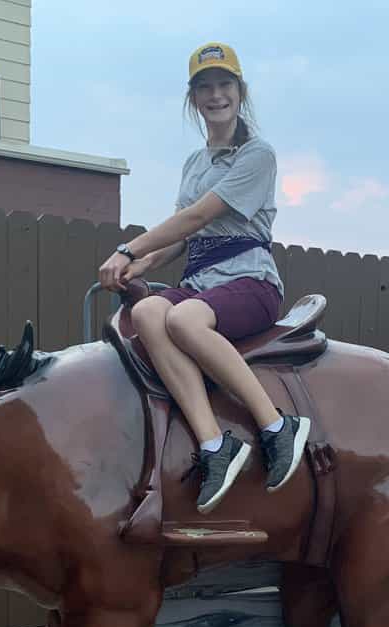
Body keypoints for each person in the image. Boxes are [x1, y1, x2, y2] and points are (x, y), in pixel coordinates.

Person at [98, 42, 310, 514]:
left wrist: (127, 247)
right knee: (149, 310)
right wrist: (140, 267)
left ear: (240, 91)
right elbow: (180, 239)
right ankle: (216, 445)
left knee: (185, 321)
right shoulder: (195, 162)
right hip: (201, 282)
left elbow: (197, 218)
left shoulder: (258, 155)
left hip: (249, 282)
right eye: (205, 87)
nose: (216, 95)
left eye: (224, 85)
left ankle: (277, 425)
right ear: (193, 99)